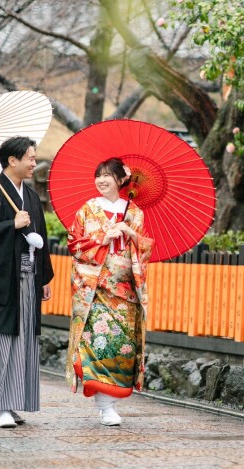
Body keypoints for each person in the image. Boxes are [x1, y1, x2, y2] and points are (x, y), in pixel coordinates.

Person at [0, 136, 54, 429]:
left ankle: (15, 402)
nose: (34, 163)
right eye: (30, 158)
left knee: (23, 339)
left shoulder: (29, 197)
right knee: (1, 339)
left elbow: (41, 238)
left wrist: (43, 276)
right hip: (1, 282)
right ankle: (0, 406)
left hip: (28, 280)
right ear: (12, 161)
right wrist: (10, 226)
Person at [65, 157, 153, 426]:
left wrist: (132, 234)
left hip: (125, 292)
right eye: (98, 175)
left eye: (107, 176)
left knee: (121, 349)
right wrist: (102, 239)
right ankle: (106, 407)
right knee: (96, 345)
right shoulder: (88, 209)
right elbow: (73, 243)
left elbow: (147, 247)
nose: (101, 180)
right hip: (96, 290)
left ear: (120, 180)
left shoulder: (134, 213)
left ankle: (111, 403)